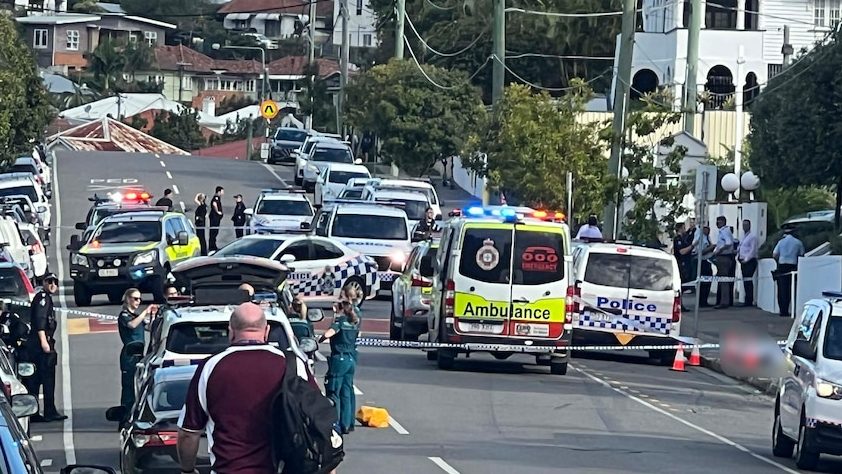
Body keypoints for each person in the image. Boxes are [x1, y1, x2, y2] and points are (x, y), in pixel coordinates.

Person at [176, 303, 319, 473]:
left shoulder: (211, 367)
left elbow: (188, 433)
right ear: (266, 330)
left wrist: (187, 470)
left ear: (231, 331)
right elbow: (318, 419)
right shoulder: (293, 364)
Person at [23, 273, 66, 422]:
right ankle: (45, 411)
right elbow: (40, 321)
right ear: (44, 283)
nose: (53, 284)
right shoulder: (43, 299)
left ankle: (42, 411)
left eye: (55, 282)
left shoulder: (46, 298)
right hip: (40, 346)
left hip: (39, 344)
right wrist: (44, 342)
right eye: (50, 281)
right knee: (44, 379)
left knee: (39, 379)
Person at [319, 299, 360, 435]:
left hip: (339, 358)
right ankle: (346, 424)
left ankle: (335, 423)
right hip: (351, 359)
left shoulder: (340, 322)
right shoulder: (353, 323)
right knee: (346, 392)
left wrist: (321, 338)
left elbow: (328, 334)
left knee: (334, 391)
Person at [117, 288, 157, 420]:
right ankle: (125, 415)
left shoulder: (136, 316)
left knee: (139, 386)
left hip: (140, 355)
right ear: (128, 299)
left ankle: (135, 413)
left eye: (140, 299)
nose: (138, 302)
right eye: (135, 298)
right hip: (129, 356)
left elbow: (149, 327)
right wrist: (145, 311)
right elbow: (132, 325)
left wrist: (153, 317)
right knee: (128, 387)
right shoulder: (124, 315)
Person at [773, 228, 805, 317]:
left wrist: (778, 262)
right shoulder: (798, 242)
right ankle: (787, 309)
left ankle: (782, 310)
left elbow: (775, 254)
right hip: (792, 266)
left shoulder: (781, 242)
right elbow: (802, 254)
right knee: (790, 288)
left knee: (781, 289)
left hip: (782, 265)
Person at [712, 216, 736, 309]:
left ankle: (724, 302)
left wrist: (719, 250)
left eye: (719, 222)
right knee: (722, 280)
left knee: (723, 280)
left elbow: (729, 243)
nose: (717, 223)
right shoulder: (724, 231)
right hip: (724, 257)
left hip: (723, 257)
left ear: (723, 222)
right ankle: (723, 300)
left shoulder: (724, 231)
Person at [737, 219, 758, 307]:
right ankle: (747, 299)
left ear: (749, 226)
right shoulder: (743, 236)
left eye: (746, 225)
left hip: (750, 261)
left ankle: (749, 300)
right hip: (742, 261)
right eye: (743, 225)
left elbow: (753, 250)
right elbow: (740, 247)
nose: (744, 226)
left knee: (748, 280)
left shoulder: (752, 237)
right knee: (745, 280)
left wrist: (746, 259)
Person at [209, 186, 224, 252]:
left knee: (215, 231)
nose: (223, 193)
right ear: (219, 191)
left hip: (216, 218)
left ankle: (213, 245)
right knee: (213, 231)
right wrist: (217, 212)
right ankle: (212, 246)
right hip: (214, 218)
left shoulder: (218, 198)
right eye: (222, 191)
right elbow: (214, 204)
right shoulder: (216, 198)